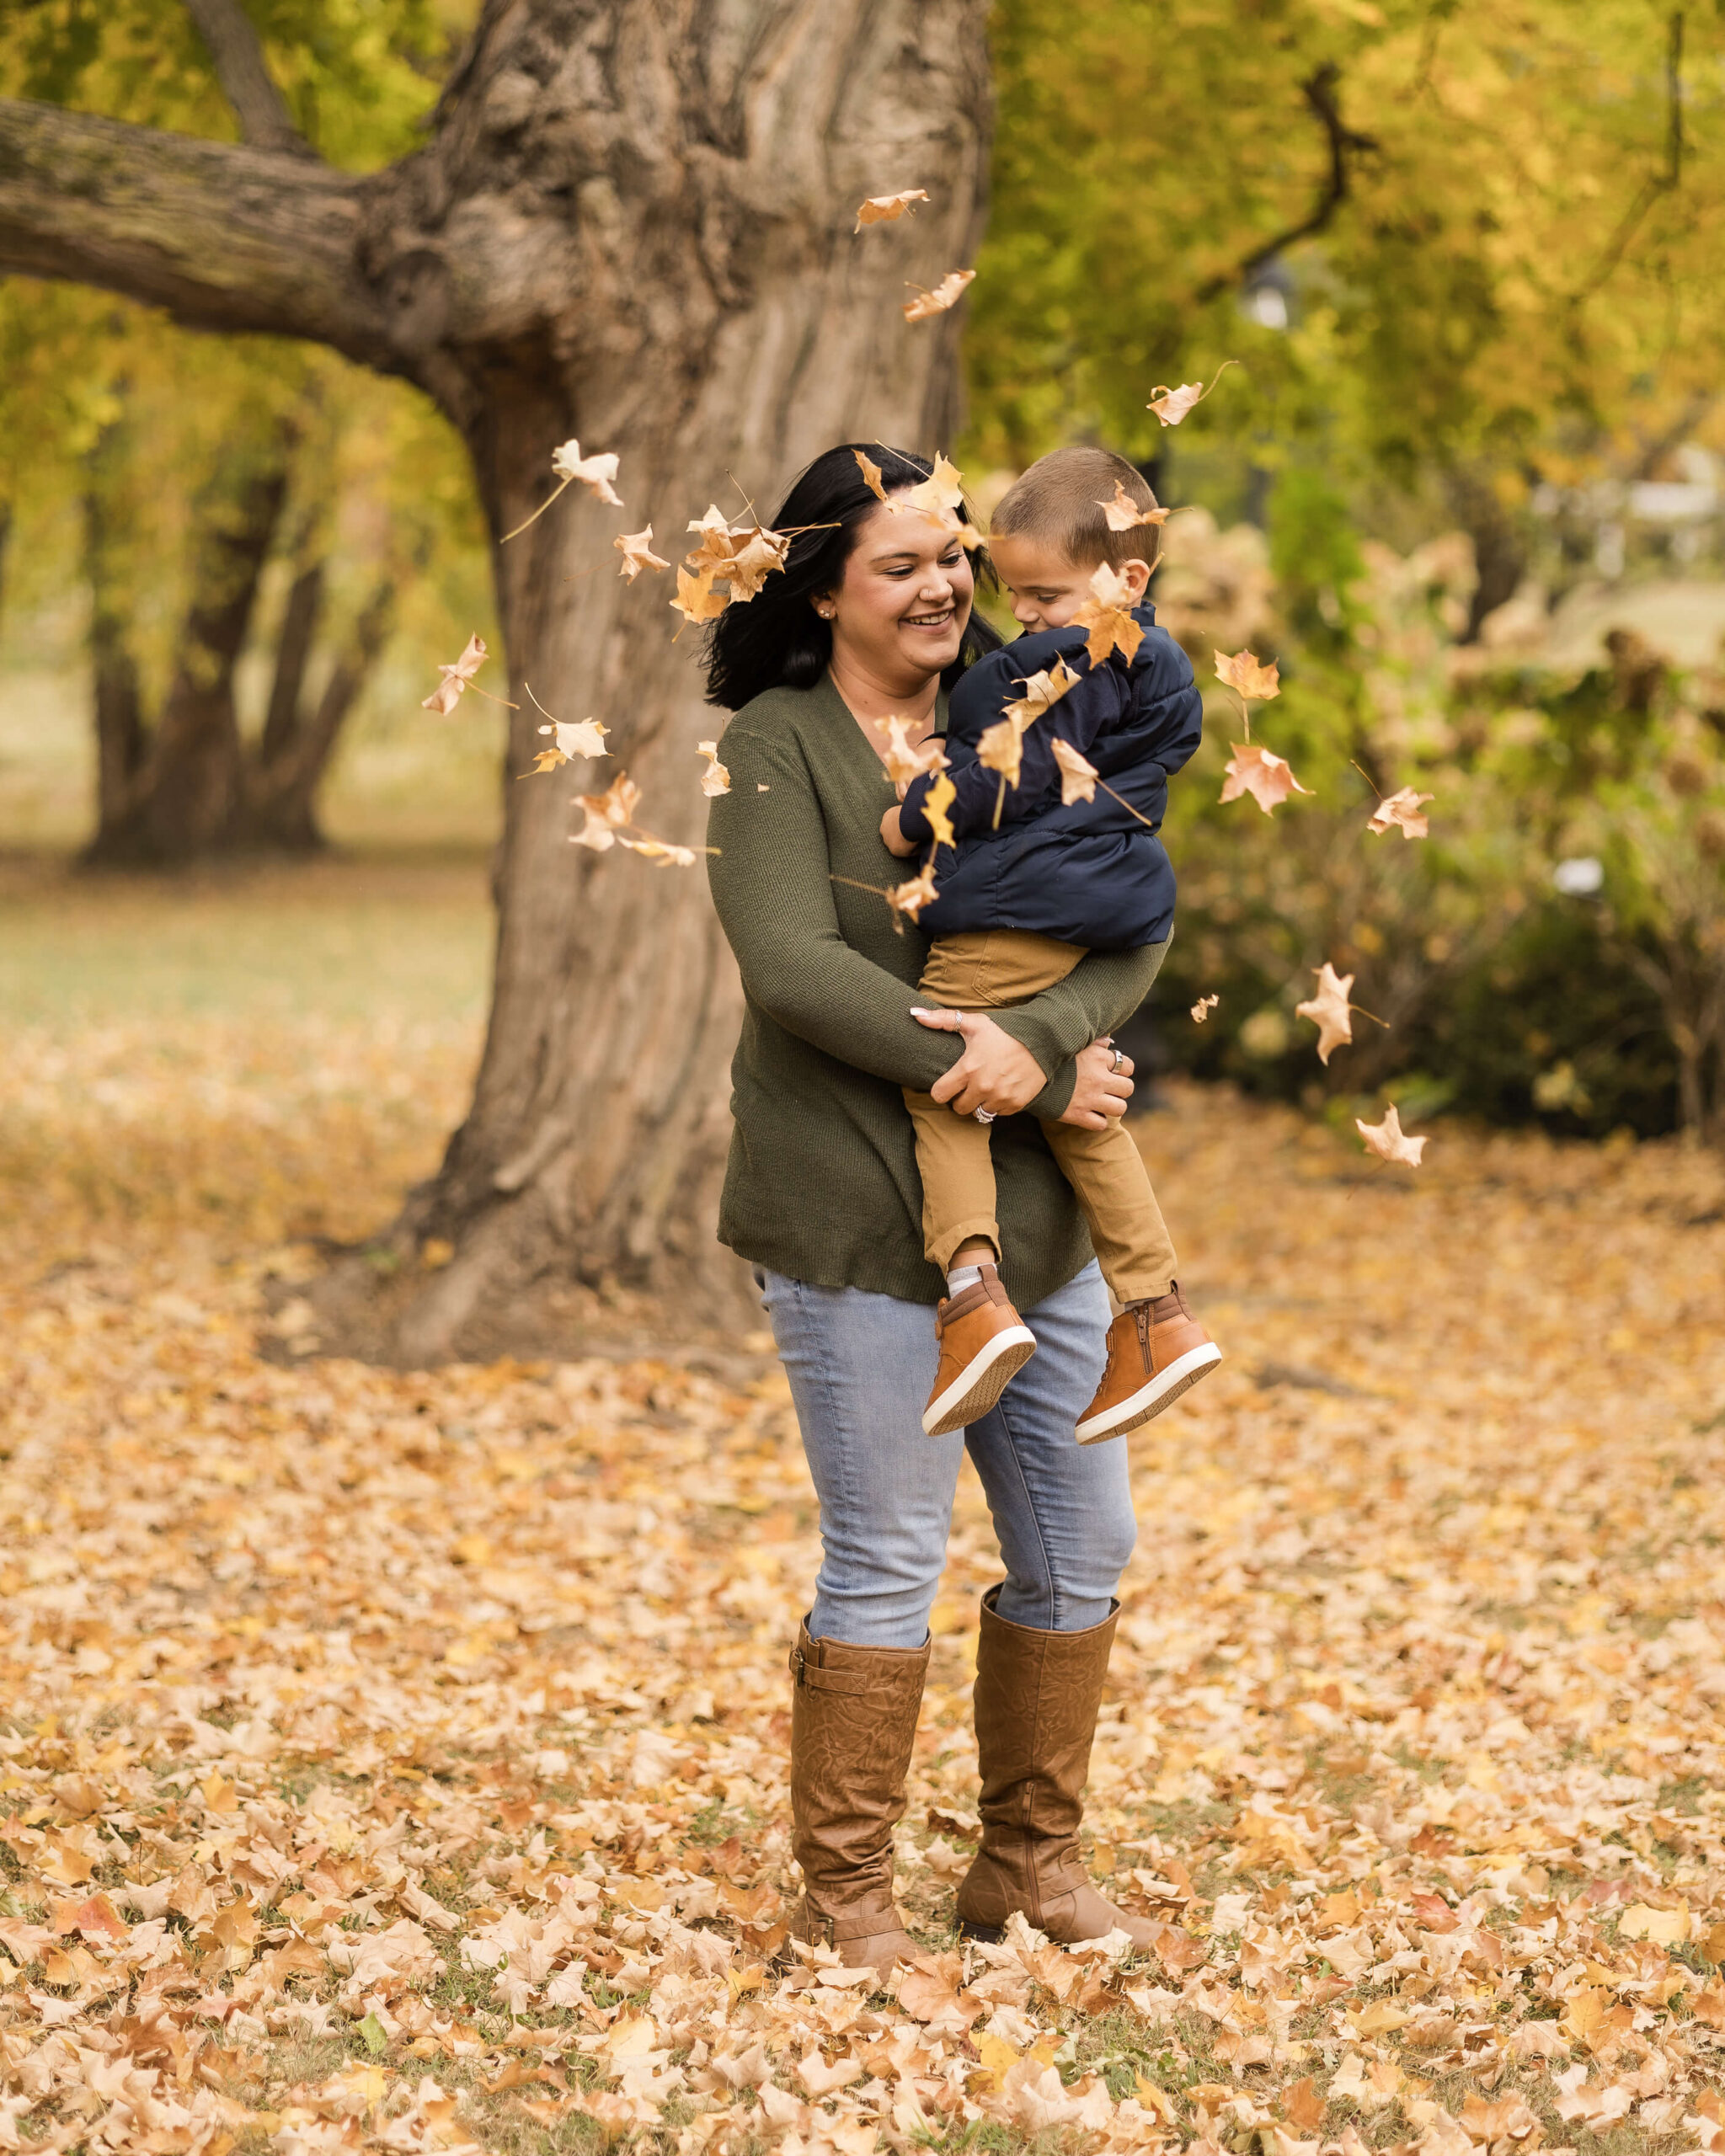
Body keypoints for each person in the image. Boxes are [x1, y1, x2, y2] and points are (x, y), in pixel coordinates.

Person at [705, 442, 1167, 1977]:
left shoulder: (1026, 701)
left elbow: (1122, 913)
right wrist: (1005, 1059)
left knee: (1081, 1542)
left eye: (952, 556)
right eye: (899, 563)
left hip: (1033, 1224)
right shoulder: (773, 747)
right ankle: (845, 1899)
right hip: (850, 1205)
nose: (940, 585)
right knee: (888, 1553)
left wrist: (1029, 1051)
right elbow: (789, 966)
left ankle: (1023, 1868)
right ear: (824, 584)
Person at [879, 446, 1221, 1443]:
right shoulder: (1157, 667)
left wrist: (915, 813)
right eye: (1014, 594)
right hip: (1093, 906)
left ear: (1128, 580)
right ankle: (1154, 1311)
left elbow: (1011, 777)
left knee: (942, 1079)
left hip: (1015, 909)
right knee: (1081, 1112)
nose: (1022, 615)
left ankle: (971, 1289)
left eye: (1043, 592)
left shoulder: (1062, 661)